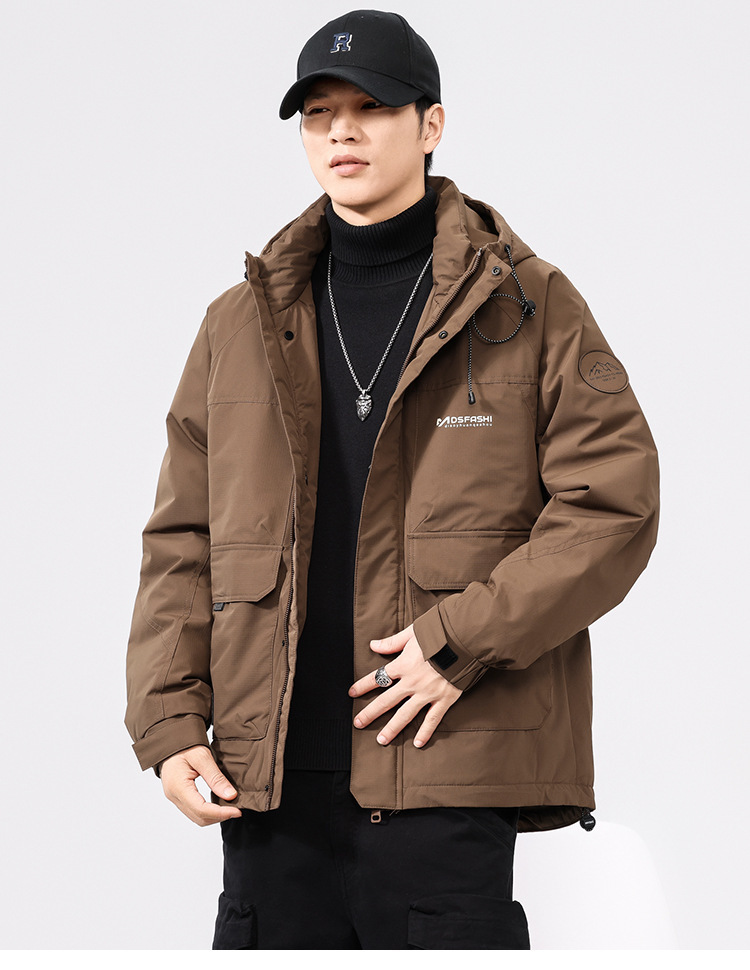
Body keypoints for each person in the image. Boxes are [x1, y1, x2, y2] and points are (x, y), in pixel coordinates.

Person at [125, 9, 659, 950]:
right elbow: (184, 538)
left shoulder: (528, 302)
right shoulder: (237, 324)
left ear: (431, 124)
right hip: (268, 781)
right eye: (318, 113)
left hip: (444, 770)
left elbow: (614, 504)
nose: (342, 131)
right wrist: (168, 720)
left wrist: (461, 640)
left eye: (371, 106)